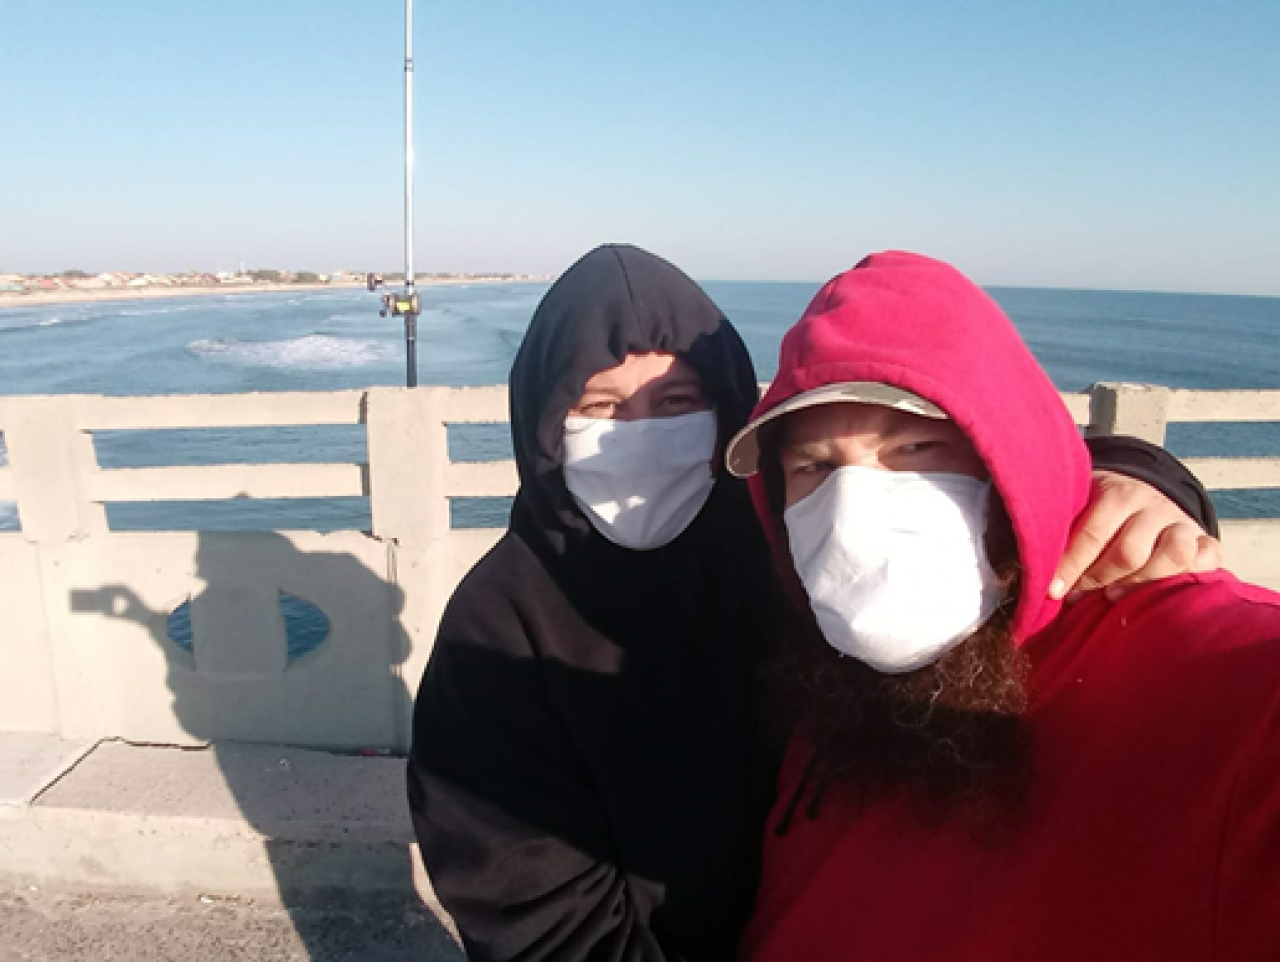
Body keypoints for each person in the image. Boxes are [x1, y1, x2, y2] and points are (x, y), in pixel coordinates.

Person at [407, 245, 1222, 962]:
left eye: (677, 402)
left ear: (729, 409)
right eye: (600, 407)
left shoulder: (798, 537)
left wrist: (1142, 482)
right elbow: (536, 915)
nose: (640, 434)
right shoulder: (498, 625)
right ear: (544, 423)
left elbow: (1004, 464)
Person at [728, 251, 1280, 961]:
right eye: (815, 466)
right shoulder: (810, 668)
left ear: (1009, 460)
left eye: (917, 448)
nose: (853, 510)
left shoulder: (1213, 684)